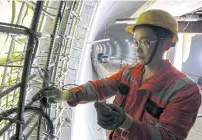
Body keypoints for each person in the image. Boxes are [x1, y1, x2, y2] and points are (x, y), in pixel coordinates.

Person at [36, 9, 201, 140]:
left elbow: (169, 137)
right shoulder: (130, 73)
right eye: (135, 42)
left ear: (167, 44)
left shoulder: (184, 91)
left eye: (145, 42)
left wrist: (126, 123)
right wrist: (64, 95)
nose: (137, 48)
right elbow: (100, 88)